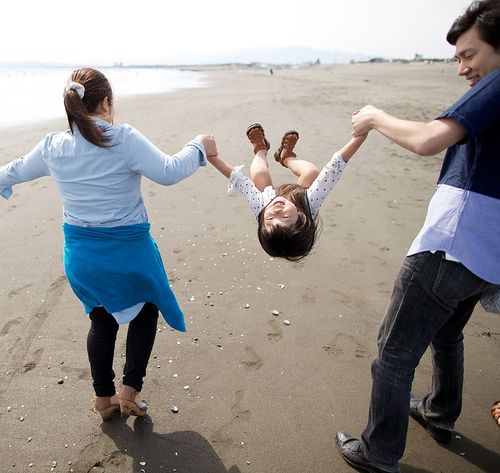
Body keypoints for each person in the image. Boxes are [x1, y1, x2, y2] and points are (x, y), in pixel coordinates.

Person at [335, 1, 500, 472]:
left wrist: (373, 117)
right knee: (448, 333)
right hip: (489, 253)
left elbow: (429, 139)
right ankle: (440, 413)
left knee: (393, 352)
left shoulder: (496, 85)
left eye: (470, 55)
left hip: (454, 242)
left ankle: (378, 453)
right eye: (458, 60)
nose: (463, 68)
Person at [0, 68, 218, 421]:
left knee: (101, 320)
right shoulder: (122, 138)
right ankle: (130, 392)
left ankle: (103, 399)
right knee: (146, 308)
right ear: (105, 102)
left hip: (82, 256)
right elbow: (168, 172)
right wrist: (198, 147)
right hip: (129, 253)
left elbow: (13, 171)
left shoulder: (52, 146)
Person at [206, 123, 366, 260]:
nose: (276, 211)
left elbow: (238, 179)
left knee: (259, 174)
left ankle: (260, 148)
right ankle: (286, 156)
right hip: (297, 195)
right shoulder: (310, 203)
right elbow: (333, 169)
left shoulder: (261, 207)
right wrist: (359, 138)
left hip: (267, 195)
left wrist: (211, 156)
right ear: (302, 218)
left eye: (270, 218)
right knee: (311, 173)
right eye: (285, 216)